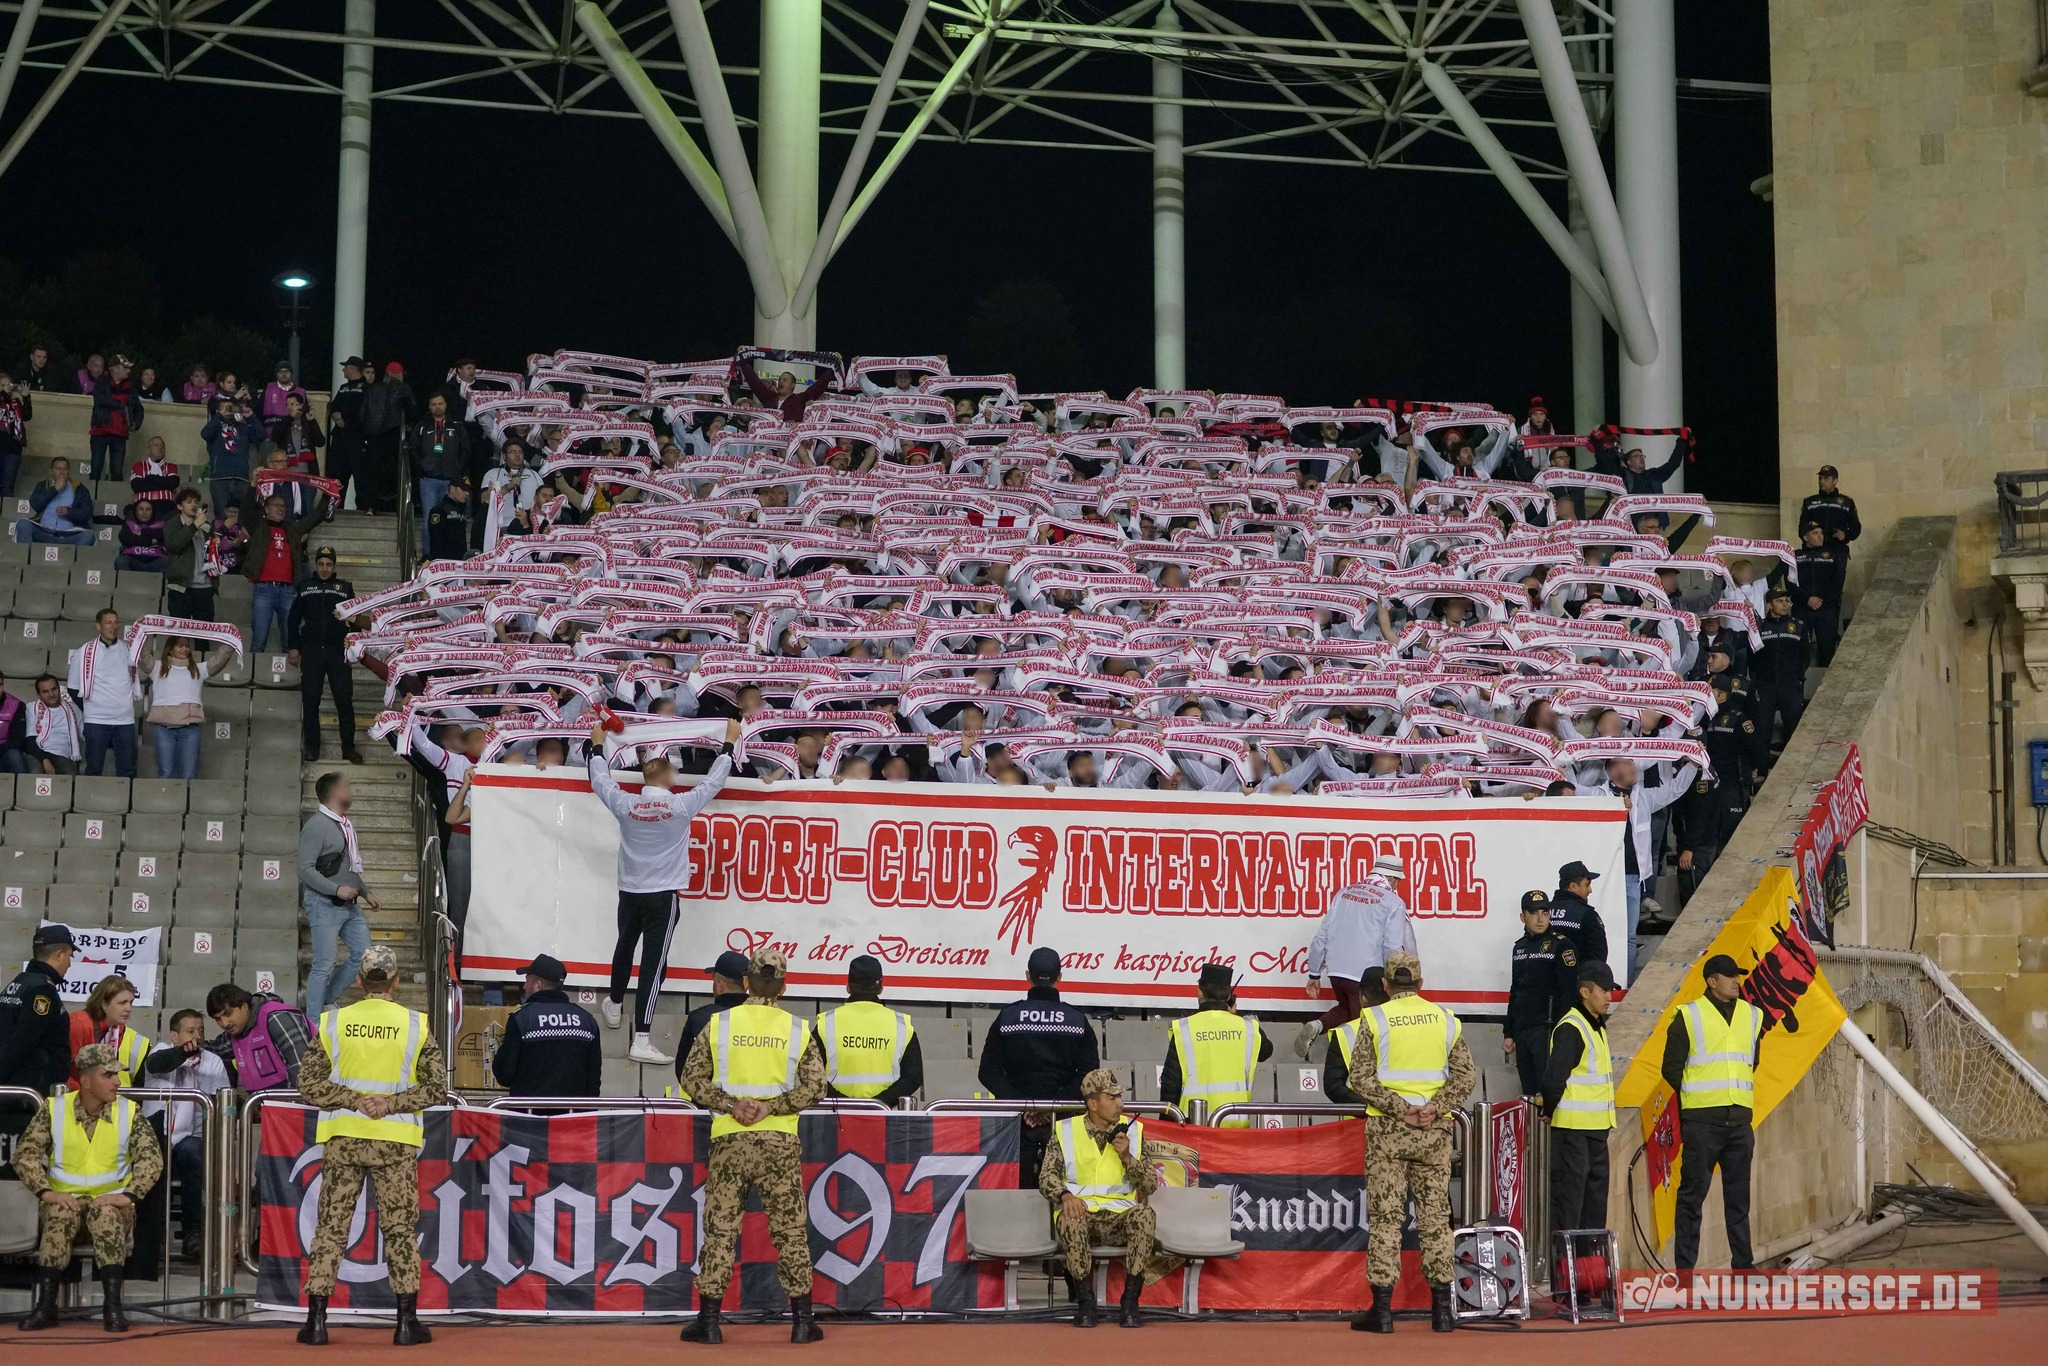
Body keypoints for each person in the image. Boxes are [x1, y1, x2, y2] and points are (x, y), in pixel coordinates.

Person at [296, 944, 446, 1347]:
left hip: (344, 1138)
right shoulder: (415, 1025)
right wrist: (390, 1103)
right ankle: (405, 1323)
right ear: (395, 982)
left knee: (330, 1228)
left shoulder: (333, 1022)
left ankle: (316, 1322)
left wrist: (352, 1099)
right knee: (399, 1230)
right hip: (395, 1141)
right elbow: (436, 1087)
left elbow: (308, 1084)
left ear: (360, 981)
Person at [675, 948, 827, 1345]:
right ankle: (802, 1323)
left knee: (721, 1230)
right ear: (784, 985)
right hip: (779, 1142)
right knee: (790, 1232)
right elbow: (815, 1087)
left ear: (745, 982)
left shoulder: (718, 1023)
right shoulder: (798, 1028)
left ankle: (708, 1323)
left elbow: (690, 1079)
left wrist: (731, 1104)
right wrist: (771, 1106)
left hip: (729, 1139)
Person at [587, 716, 738, 1064]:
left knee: (624, 945)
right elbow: (714, 781)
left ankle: (613, 1001)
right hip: (663, 894)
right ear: (667, 776)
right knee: (653, 966)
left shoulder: (626, 804)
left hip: (630, 891)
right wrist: (728, 744)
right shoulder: (680, 805)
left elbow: (599, 781)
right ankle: (641, 1038)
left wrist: (597, 746)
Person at [1348, 950, 1474, 1335]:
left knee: (1387, 1218)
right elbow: (1466, 1077)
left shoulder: (1374, 1018)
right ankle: (1442, 1312)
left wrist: (1400, 1108)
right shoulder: (1445, 1019)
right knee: (1436, 1218)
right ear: (1420, 984)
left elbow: (1360, 1078)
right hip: (1434, 1132)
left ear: (1385, 985)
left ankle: (1382, 1312)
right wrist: (1434, 1108)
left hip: (1388, 1130)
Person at [11, 1042, 164, 1332]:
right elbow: (25, 1154)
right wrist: (47, 1192)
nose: (117, 1081)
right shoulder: (55, 1109)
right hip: (64, 1201)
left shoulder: (130, 1112)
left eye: (117, 1075)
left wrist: (128, 1195)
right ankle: (46, 1307)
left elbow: (151, 1159)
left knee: (105, 1215)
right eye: (108, 1075)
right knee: (59, 1214)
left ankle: (112, 1308)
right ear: (86, 1080)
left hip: (111, 1206)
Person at [1664, 953, 1763, 1271]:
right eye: (1730, 975)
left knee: (1739, 1202)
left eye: (1738, 975)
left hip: (1739, 1123)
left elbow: (1752, 1061)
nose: (1737, 981)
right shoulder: (1689, 1015)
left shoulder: (1752, 1015)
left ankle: (1744, 1267)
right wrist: (1699, 1095)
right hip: (1702, 1124)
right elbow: (1671, 1069)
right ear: (1711, 981)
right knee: (1691, 1198)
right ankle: (1684, 1271)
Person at [1043, 1067, 1159, 1328]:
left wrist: (1128, 1158)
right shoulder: (1065, 1131)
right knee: (1070, 1218)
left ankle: (1130, 1303)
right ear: (1093, 1103)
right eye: (1112, 1097)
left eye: (1120, 1097)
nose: (1120, 1104)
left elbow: (1151, 1185)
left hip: (1119, 1220)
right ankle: (1086, 1304)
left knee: (1145, 1214)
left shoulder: (1134, 1132)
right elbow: (1046, 1177)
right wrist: (1065, 1195)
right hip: (1082, 1217)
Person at [978, 946, 1101, 1185]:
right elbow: (1089, 1075)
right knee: (1063, 1193)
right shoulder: (1077, 1020)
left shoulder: (1008, 1017)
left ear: (1027, 976)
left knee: (1015, 1192)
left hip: (1014, 1124)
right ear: (1060, 977)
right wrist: (1052, 1108)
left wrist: (1025, 1106)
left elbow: (988, 1072)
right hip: (1063, 1124)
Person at [1576, 758, 1695, 981]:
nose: (1633, 767)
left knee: (1629, 937)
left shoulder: (1644, 797)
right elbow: (1567, 788)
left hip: (1631, 877)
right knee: (1601, 934)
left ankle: (1624, 986)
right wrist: (1558, 758)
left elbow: (1675, 789)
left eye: (1632, 762)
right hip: (1602, 879)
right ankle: (1600, 983)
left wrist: (1694, 765)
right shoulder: (1597, 795)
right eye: (1627, 763)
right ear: (1612, 770)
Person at [1296, 854, 1416, 1058]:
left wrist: (1314, 974)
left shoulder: (1344, 893)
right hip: (1367, 976)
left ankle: (1318, 1025)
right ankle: (1352, 1070)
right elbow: (1392, 945)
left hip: (1336, 973)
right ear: (1393, 879)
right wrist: (1396, 979)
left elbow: (1322, 936)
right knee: (1368, 1029)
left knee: (1347, 1008)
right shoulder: (1393, 901)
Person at [139, 1008, 232, 1259]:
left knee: (196, 1154)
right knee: (151, 1158)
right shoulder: (160, 1052)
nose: (197, 1037)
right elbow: (156, 1065)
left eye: (201, 1031)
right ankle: (151, 1237)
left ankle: (193, 1234)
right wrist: (183, 1053)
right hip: (155, 1134)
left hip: (191, 1136)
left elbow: (221, 1104)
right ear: (174, 1035)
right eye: (190, 1031)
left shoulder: (212, 1062)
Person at [1542, 962, 1616, 1237]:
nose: (1609, 996)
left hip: (1596, 1131)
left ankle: (1590, 1274)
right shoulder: (1573, 1027)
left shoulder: (1595, 1026)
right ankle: (1568, 1276)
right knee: (1569, 1209)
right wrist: (1549, 1109)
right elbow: (1553, 1079)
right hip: (1573, 1133)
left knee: (1593, 1210)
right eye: (1604, 990)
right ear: (1585, 991)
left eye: (1611, 990)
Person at [300, 772, 381, 1017]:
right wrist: (336, 889)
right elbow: (304, 869)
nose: (351, 791)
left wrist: (365, 892)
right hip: (324, 902)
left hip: (347, 903)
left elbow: (349, 866)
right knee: (323, 965)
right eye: (348, 786)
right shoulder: (317, 826)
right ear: (336, 792)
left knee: (364, 955)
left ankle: (327, 1001)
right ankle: (313, 1024)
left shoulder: (343, 824)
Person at [1160, 962, 1271, 1125]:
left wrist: (1166, 1125)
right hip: (1236, 1126)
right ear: (1229, 997)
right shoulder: (1248, 1028)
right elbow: (1267, 1052)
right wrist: (1236, 1015)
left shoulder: (1184, 1028)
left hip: (1193, 1125)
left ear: (1200, 992)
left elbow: (1171, 1085)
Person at [812, 956, 924, 1103]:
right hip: (884, 1116)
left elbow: (812, 1075)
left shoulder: (825, 1023)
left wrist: (845, 1102)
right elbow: (913, 1078)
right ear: (881, 988)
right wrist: (878, 1103)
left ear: (848, 986)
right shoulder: (902, 1025)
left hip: (836, 1115)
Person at [491, 954, 602, 1098]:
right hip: (572, 1117)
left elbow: (504, 1074)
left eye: (526, 981)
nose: (524, 987)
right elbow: (593, 1082)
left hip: (529, 1116)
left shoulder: (523, 1019)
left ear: (538, 985)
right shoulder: (587, 1021)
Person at [291, 546, 363, 764]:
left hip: (337, 652)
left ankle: (348, 748)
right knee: (310, 701)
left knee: (344, 700)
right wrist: (294, 647)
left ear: (334, 566)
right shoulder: (304, 587)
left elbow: (356, 620)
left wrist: (354, 647)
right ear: (315, 565)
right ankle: (312, 747)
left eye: (328, 564)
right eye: (321, 564)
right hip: (311, 651)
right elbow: (293, 620)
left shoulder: (345, 588)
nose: (324, 569)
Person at [1504, 891, 1578, 1098]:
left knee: (1548, 1088)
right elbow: (1515, 990)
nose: (1540, 919)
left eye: (1545, 913)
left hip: (1547, 1029)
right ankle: (1531, 1130)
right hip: (1523, 1029)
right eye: (1534, 913)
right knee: (1528, 1090)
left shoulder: (1562, 945)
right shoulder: (1519, 947)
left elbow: (1568, 992)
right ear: (1523, 917)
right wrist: (1508, 1031)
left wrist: (1560, 1029)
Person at [138, 634, 236, 780]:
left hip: (189, 730)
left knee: (189, 776)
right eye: (180, 645)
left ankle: (186, 803)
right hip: (163, 729)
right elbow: (141, 655)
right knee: (166, 774)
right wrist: (138, 633)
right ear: (170, 649)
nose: (185, 649)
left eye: (187, 646)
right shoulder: (157, 667)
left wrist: (231, 640)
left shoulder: (199, 669)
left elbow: (219, 661)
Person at [242, 488, 326, 652]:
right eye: (276, 505)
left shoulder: (291, 528)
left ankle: (293, 677)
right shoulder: (258, 526)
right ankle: (254, 675)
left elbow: (314, 519)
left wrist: (327, 495)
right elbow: (246, 512)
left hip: (288, 590)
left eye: (283, 506)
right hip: (264, 589)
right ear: (266, 508)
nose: (281, 509)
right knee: (259, 639)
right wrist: (253, 486)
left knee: (291, 640)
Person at [0, 924, 74, 1090]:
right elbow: (22, 1044)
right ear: (59, 955)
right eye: (70, 956)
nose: (69, 964)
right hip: (27, 1096)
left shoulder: (20, 982)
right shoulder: (42, 990)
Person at [669, 950, 751, 1098]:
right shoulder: (764, 1019)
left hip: (707, 1113)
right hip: (758, 1112)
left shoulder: (700, 1018)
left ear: (719, 984)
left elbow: (683, 1072)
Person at [68, 608, 139, 778]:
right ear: (98, 626)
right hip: (96, 721)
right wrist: (92, 708)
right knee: (93, 768)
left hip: (125, 721)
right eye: (108, 622)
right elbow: (72, 688)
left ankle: (125, 803)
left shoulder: (128, 650)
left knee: (127, 769)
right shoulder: (83, 652)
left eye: (116, 622)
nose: (113, 626)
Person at [204, 981, 312, 1090]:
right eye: (218, 1019)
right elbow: (214, 1050)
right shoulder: (236, 1031)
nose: (224, 1023)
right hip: (264, 1104)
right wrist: (189, 1047)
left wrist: (292, 1104)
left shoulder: (277, 1018)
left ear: (245, 1006)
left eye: (228, 1014)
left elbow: (303, 1067)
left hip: (296, 1102)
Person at [408, 392, 470, 554]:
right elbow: (412, 448)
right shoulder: (422, 426)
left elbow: (465, 448)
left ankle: (449, 553)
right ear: (429, 406)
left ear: (445, 405)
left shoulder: (456, 425)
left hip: (451, 481)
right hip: (428, 479)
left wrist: (458, 471)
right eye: (433, 404)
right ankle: (429, 554)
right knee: (430, 517)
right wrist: (420, 468)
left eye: (440, 403)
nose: (437, 407)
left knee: (453, 517)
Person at [1319, 965, 1388, 1104]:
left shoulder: (1345, 1032)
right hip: (1413, 1116)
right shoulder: (1412, 1026)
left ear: (1363, 999)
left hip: (1359, 1120)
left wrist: (1373, 1106)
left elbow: (1333, 1087)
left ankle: (1318, 1024)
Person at [1752, 587, 1810, 745]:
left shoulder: (1798, 626)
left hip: (1790, 685)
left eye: (1787, 601)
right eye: (1779, 601)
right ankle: (1763, 769)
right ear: (1769, 605)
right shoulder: (1759, 628)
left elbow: (1805, 655)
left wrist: (1796, 674)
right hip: (1765, 686)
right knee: (1763, 730)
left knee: (1794, 728)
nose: (1785, 604)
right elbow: (1753, 658)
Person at [68, 974, 150, 1086]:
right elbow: (69, 1072)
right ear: (104, 1004)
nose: (129, 1008)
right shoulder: (79, 1024)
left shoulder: (116, 1028)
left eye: (131, 1002)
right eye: (122, 1003)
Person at [357, 361, 416, 514]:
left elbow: (362, 413)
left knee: (372, 471)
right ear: (398, 374)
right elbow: (412, 408)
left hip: (373, 437)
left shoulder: (371, 388)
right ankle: (395, 506)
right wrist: (409, 426)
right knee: (396, 470)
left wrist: (365, 434)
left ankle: (370, 505)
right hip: (393, 434)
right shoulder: (403, 388)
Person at [1794, 519, 1847, 667]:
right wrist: (1807, 599)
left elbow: (1838, 581)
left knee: (1827, 648)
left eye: (1821, 533)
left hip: (1826, 609)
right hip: (1802, 608)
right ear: (1805, 537)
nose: (1820, 536)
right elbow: (1791, 582)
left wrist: (1822, 600)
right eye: (1815, 533)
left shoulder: (1832, 555)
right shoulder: (1795, 556)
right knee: (1800, 648)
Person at [200, 392, 262, 515]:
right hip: (220, 479)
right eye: (224, 408)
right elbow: (204, 434)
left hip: (242, 478)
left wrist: (250, 417)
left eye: (231, 407)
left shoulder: (243, 428)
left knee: (243, 516)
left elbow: (260, 436)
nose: (228, 410)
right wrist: (219, 416)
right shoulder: (214, 428)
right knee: (221, 515)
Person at [162, 487, 218, 621]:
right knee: (179, 635)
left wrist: (216, 542)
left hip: (205, 588)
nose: (193, 504)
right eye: (188, 501)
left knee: (203, 637)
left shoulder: (206, 526)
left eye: (195, 501)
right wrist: (194, 526)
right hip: (181, 588)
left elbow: (212, 551)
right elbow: (174, 544)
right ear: (179, 506)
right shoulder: (171, 524)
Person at [14, 454, 95, 545]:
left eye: (65, 469)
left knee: (88, 536)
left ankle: (73, 557)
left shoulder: (80, 488)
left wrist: (69, 512)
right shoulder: (42, 485)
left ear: (69, 471)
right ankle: (26, 558)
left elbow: (87, 513)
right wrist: (55, 489)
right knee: (23, 524)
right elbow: (35, 504)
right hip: (44, 533)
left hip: (69, 535)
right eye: (58, 469)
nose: (62, 472)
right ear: (52, 471)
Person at [87, 354, 144, 481]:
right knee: (95, 468)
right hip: (100, 431)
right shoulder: (101, 383)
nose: (129, 371)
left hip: (120, 433)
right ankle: (92, 496)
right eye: (125, 368)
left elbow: (139, 408)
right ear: (115, 369)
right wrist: (122, 405)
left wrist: (135, 423)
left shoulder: (130, 387)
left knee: (117, 471)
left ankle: (113, 498)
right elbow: (101, 400)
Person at [1547, 862, 1610, 965]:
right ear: (1573, 886)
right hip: (1579, 978)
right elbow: (1598, 959)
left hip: (1547, 978)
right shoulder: (1587, 914)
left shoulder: (1544, 911)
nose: (1590, 890)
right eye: (1587, 884)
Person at [326, 357, 368, 508]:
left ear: (352, 368)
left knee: (360, 476)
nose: (343, 370)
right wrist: (337, 417)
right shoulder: (343, 387)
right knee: (336, 475)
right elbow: (333, 406)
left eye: (345, 367)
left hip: (357, 438)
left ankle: (363, 508)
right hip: (340, 438)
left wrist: (346, 421)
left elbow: (363, 412)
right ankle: (334, 507)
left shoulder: (366, 388)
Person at [20, 672, 83, 774]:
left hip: (62, 755)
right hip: (37, 752)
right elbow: (29, 740)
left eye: (54, 689)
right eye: (45, 691)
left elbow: (84, 734)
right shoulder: (32, 708)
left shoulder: (73, 709)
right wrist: (44, 760)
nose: (51, 694)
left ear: (59, 689)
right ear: (38, 695)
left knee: (70, 772)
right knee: (36, 771)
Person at [1798, 465, 1860, 562]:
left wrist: (1845, 535)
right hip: (1814, 553)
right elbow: (1802, 528)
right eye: (1820, 478)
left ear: (1835, 481)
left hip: (1838, 551)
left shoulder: (1846, 502)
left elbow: (1856, 528)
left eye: (1826, 478)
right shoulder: (1809, 502)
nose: (1822, 481)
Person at [425, 475, 481, 560]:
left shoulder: (461, 508)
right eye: (463, 490)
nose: (467, 493)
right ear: (452, 489)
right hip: (444, 562)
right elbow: (436, 540)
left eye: (468, 490)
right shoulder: (439, 510)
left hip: (459, 560)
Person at [270, 391, 325, 473]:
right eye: (287, 405)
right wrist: (290, 417)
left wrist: (312, 421)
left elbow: (321, 442)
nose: (289, 407)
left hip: (308, 472)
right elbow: (275, 437)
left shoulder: (308, 422)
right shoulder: (283, 422)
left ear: (301, 405)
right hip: (287, 472)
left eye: (292, 404)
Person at [0, 367, 32, 497]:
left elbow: (27, 415)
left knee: (8, 485)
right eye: (3, 385)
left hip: (13, 447)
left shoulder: (15, 400)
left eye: (9, 385)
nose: (7, 387)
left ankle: (5, 513)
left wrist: (25, 397)